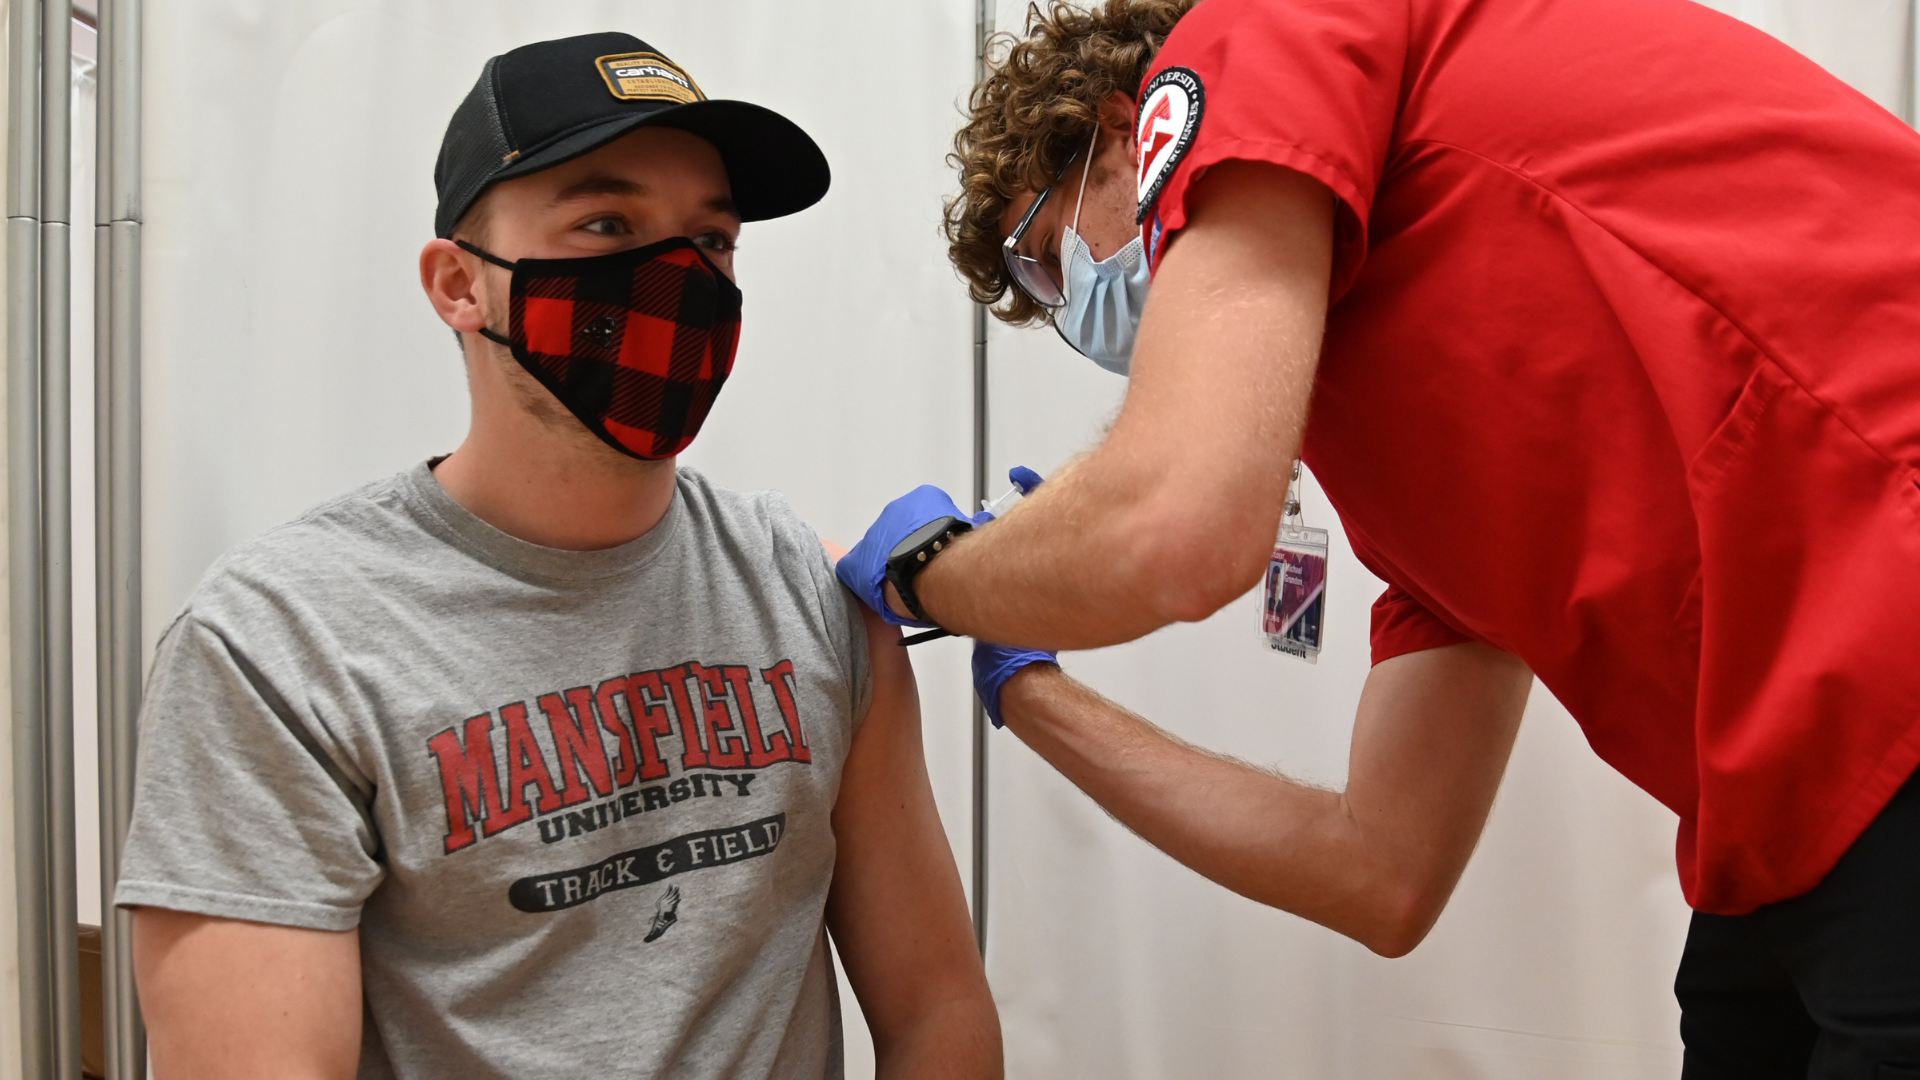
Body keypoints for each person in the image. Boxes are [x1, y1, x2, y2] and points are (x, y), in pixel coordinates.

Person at [835, 0, 1920, 1074]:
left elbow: (1175, 527)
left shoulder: (1262, 32)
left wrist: (936, 574)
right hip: (1791, 802)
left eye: (1046, 256)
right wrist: (1026, 686)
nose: (1073, 307)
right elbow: (1380, 873)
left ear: (1130, 129)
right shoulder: (1406, 470)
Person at [117, 32, 1001, 1080]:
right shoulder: (279, 645)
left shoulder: (808, 594)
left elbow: (936, 1008)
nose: (679, 279)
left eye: (711, 240)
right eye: (607, 224)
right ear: (459, 283)